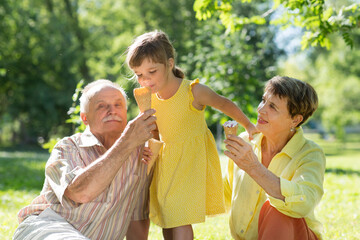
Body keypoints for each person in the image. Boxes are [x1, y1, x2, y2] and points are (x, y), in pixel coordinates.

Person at [126, 30, 258, 240]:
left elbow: (224, 103)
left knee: (179, 214)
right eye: (140, 75)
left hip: (190, 160)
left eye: (152, 71)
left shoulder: (192, 91)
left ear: (169, 64)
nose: (146, 80)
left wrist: (248, 125)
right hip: (166, 162)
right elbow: (157, 132)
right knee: (168, 216)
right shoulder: (151, 98)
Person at [13, 79, 157, 240]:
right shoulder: (68, 148)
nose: (112, 111)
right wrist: (127, 142)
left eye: (118, 105)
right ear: (85, 118)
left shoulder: (141, 157)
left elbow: (136, 218)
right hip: (47, 226)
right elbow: (80, 193)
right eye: (102, 106)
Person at [223, 76, 326, 240]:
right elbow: (225, 193)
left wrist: (254, 167)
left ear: (295, 119)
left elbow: (304, 201)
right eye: (263, 100)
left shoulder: (310, 153)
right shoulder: (244, 142)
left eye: (272, 106)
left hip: (296, 236)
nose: (261, 109)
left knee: (278, 208)